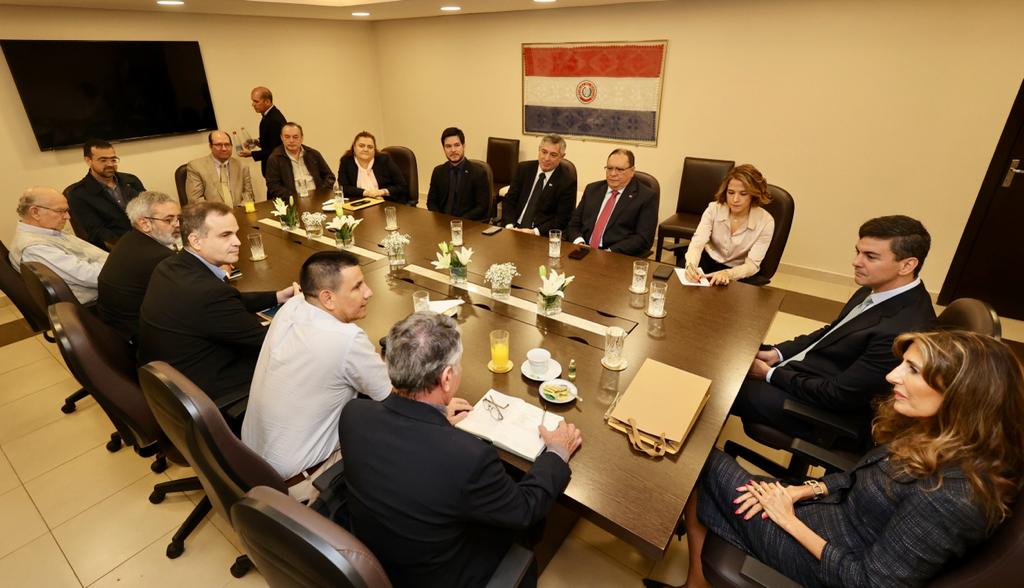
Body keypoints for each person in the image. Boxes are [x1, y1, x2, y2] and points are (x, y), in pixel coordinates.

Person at [645, 330, 1024, 588]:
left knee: (697, 453)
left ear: (963, 394)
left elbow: (870, 583)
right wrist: (803, 490)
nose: (892, 375)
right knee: (706, 474)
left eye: (912, 370)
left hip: (823, 556)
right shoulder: (938, 430)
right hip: (821, 512)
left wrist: (788, 520)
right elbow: (859, 476)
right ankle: (697, 581)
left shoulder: (952, 497)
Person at [340, 312, 583, 588]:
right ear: (446, 378)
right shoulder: (468, 456)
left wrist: (437, 420)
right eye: (458, 366)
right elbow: (524, 509)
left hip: (376, 559)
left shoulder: (354, 414)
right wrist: (557, 452)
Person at [733, 215, 936, 441]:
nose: (856, 262)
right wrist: (775, 354)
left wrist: (769, 374)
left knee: (726, 386)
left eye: (870, 256)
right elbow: (831, 333)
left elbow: (839, 395)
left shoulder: (901, 329)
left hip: (828, 413)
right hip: (809, 373)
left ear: (907, 265)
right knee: (734, 350)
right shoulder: (876, 287)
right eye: (858, 251)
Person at [242, 250, 392, 503]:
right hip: (302, 484)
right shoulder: (347, 339)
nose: (369, 292)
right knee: (401, 433)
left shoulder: (292, 306)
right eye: (357, 287)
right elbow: (392, 398)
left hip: (251, 463)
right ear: (327, 298)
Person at [138, 202, 297, 414]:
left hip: (176, 381)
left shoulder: (171, 266)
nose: (237, 242)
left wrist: (277, 297)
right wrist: (306, 313)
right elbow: (269, 342)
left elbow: (228, 302)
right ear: (196, 241)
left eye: (236, 233)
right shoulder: (207, 293)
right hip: (214, 393)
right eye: (225, 235)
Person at [96, 191, 180, 343]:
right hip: (144, 337)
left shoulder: (129, 239)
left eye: (178, 218)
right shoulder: (159, 257)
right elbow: (189, 300)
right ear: (145, 224)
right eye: (169, 220)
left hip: (116, 330)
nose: (178, 224)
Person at [8, 186, 107, 304]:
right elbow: (90, 276)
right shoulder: (35, 248)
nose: (68, 217)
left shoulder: (47, 231)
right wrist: (123, 269)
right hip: (100, 302)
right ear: (35, 212)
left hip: (106, 280)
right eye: (61, 211)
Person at [681, 164, 775, 286]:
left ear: (753, 195)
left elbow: (752, 265)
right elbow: (697, 243)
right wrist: (691, 265)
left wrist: (728, 274)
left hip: (739, 271)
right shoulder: (713, 209)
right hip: (708, 259)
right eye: (731, 192)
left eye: (743, 194)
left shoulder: (766, 222)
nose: (735, 199)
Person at [566, 148, 658, 257]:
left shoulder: (646, 197)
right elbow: (574, 223)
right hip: (583, 250)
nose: (613, 174)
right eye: (609, 168)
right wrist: (579, 242)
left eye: (619, 169)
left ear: (632, 171)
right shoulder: (592, 189)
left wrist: (609, 252)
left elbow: (643, 238)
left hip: (616, 255)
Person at [65, 139, 146, 249]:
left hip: (148, 236)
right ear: (88, 161)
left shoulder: (131, 181)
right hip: (117, 247)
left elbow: (150, 209)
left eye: (113, 159)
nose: (110, 164)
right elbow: (96, 233)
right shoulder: (78, 194)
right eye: (103, 160)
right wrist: (131, 246)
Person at [501, 134, 577, 235]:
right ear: (539, 150)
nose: (546, 158)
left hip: (540, 234)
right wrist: (510, 226)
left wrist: (535, 232)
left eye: (553, 155)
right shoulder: (524, 169)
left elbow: (562, 219)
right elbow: (509, 201)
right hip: (513, 228)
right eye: (544, 152)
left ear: (561, 157)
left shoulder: (567, 181)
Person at [426, 127, 491, 221]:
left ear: (463, 146)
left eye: (457, 145)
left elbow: (482, 207)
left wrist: (458, 222)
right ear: (443, 148)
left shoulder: (478, 173)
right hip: (442, 223)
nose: (453, 150)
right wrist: (441, 219)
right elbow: (431, 202)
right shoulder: (438, 171)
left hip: (467, 224)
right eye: (448, 146)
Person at [264, 122, 336, 200]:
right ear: (281, 138)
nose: (291, 141)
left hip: (318, 198)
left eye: (295, 137)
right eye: (287, 137)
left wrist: (320, 192)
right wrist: (294, 197)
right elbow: (273, 186)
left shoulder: (313, 154)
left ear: (301, 138)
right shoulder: (275, 158)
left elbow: (329, 177)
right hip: (292, 201)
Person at [336, 131, 409, 204]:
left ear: (374, 150)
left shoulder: (384, 159)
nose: (365, 149)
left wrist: (382, 192)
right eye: (361, 146)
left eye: (370, 147)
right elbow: (343, 188)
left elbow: (402, 186)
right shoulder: (346, 161)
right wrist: (366, 193)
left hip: (386, 202)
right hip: (359, 203)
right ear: (354, 147)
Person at [185, 131, 255, 207]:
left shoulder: (242, 166)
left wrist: (239, 211)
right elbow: (195, 201)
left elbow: (249, 195)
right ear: (210, 146)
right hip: (212, 216)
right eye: (218, 145)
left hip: (239, 213)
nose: (224, 148)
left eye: (227, 145)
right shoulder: (196, 166)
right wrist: (221, 215)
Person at [239, 86, 287, 178]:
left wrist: (252, 154)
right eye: (252, 101)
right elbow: (272, 139)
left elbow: (276, 150)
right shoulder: (269, 115)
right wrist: (257, 141)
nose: (253, 104)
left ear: (267, 102)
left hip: (277, 171)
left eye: (256, 101)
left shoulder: (273, 119)